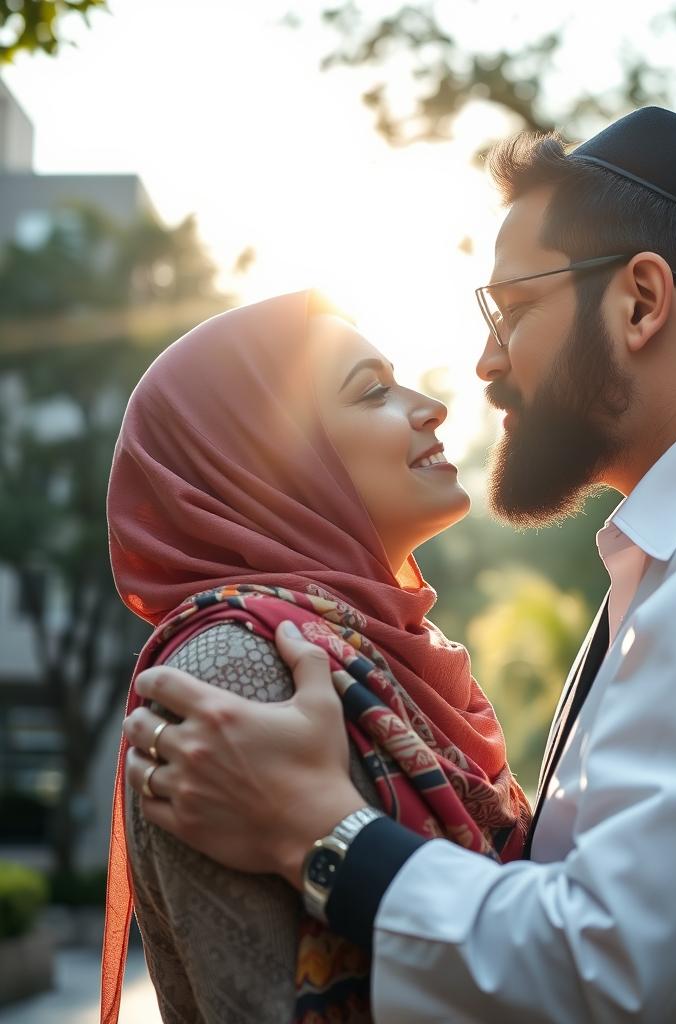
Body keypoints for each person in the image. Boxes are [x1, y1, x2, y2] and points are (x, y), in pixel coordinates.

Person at [122, 108, 676, 1023]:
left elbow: (605, 973)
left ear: (639, 301)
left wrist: (324, 833)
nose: (482, 363)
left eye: (513, 309)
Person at [101, 291, 531, 1024]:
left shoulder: (389, 655)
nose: (432, 406)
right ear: (269, 461)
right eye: (373, 392)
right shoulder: (234, 669)